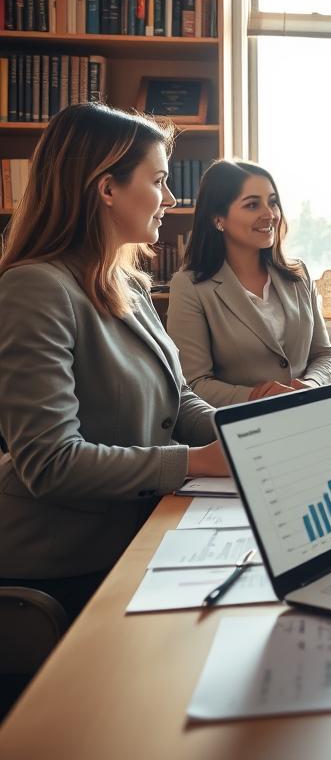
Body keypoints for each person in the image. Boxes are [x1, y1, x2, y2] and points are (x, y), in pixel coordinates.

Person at [0, 103, 227, 619]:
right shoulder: (36, 288)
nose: (170, 198)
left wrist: (252, 426)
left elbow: (176, 400)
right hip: (62, 565)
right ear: (107, 189)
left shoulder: (126, 281)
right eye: (160, 180)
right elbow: (50, 462)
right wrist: (195, 461)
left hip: (136, 533)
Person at [167, 160, 331, 407]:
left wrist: (310, 385)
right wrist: (260, 397)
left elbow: (324, 354)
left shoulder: (298, 274)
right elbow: (194, 383)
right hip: (240, 429)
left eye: (273, 201)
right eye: (252, 204)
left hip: (307, 417)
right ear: (218, 218)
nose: (270, 214)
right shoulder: (190, 286)